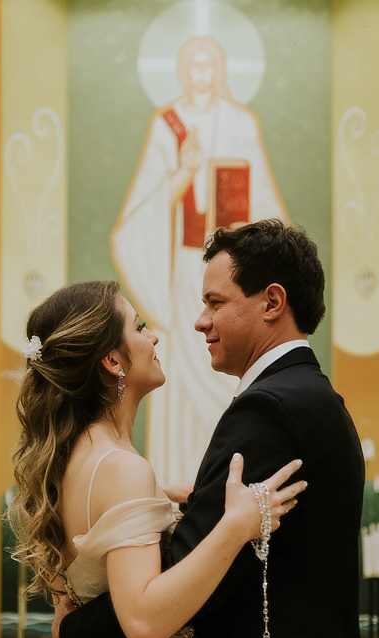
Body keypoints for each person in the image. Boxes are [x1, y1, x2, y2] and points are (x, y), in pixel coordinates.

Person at [58, 220, 379, 638]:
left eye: (214, 301)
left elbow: (183, 578)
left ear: (272, 301)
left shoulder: (269, 410)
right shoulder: (309, 397)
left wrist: (77, 632)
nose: (199, 321)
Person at [10, 280, 307, 638]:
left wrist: (166, 506)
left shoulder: (77, 458)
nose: (155, 338)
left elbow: (67, 620)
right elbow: (144, 623)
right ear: (112, 362)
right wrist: (236, 526)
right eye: (139, 328)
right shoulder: (121, 468)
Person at [111, 34, 289, 486]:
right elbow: (141, 213)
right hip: (183, 272)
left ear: (222, 72)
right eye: (193, 65)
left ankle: (233, 485)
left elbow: (265, 199)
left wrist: (274, 255)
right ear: (181, 72)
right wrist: (185, 171)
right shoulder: (167, 126)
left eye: (210, 66)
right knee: (186, 373)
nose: (201, 75)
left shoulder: (241, 123)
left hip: (237, 274)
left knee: (230, 377)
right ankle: (179, 489)